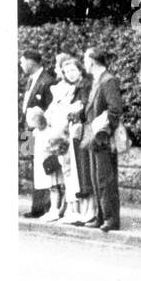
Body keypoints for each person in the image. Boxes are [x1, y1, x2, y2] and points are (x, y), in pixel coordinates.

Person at [47, 54, 94, 224]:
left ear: (80, 69)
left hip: (80, 132)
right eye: (67, 72)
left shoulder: (84, 86)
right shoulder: (73, 88)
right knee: (73, 172)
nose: (71, 74)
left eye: (73, 70)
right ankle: (77, 210)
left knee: (80, 172)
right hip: (71, 133)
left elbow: (81, 108)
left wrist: (70, 113)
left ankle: (84, 211)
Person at [82, 46, 124, 232]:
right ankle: (101, 217)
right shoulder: (98, 80)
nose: (84, 63)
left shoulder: (108, 80)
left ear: (91, 61)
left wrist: (104, 131)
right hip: (95, 137)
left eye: (85, 59)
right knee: (96, 178)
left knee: (105, 180)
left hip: (102, 138)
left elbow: (115, 110)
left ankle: (110, 219)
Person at [25, 108, 65, 220]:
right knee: (47, 186)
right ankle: (50, 209)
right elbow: (29, 149)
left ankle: (56, 209)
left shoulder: (50, 131)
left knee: (54, 185)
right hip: (39, 162)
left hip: (49, 162)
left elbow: (55, 144)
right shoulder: (34, 132)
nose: (39, 124)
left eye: (39, 120)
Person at [20, 49, 54, 126]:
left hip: (40, 129)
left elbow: (50, 110)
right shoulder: (31, 79)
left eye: (22, 62)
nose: (21, 65)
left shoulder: (48, 81)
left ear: (30, 63)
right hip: (27, 127)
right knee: (24, 138)